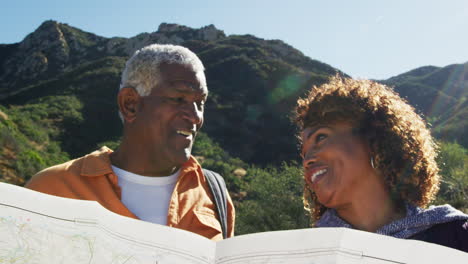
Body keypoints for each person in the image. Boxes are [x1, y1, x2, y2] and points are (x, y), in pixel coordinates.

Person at [26, 44, 235, 241]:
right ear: (130, 104)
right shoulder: (50, 189)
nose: (196, 116)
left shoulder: (214, 192)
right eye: (179, 99)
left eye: (200, 103)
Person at [294, 76, 468, 252]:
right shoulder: (303, 253)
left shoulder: (456, 236)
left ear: (374, 140)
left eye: (321, 137)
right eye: (304, 152)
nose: (307, 159)